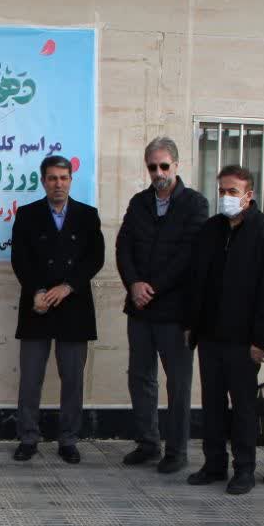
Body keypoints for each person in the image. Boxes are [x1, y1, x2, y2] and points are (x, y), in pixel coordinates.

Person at [183, 165, 264, 494]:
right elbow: (197, 279)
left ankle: (244, 469)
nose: (226, 197)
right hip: (210, 335)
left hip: (244, 340)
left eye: (233, 191)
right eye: (222, 191)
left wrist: (260, 340)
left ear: (248, 195)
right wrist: (192, 325)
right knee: (212, 403)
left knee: (243, 406)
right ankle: (214, 463)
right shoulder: (211, 230)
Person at [114, 137, 208, 474]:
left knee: (178, 383)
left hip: (175, 311)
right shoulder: (139, 203)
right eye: (152, 167)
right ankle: (148, 442)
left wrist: (152, 287)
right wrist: (134, 284)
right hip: (140, 309)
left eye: (164, 166)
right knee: (140, 377)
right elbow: (123, 247)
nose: (158, 173)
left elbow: (188, 255)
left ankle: (177, 450)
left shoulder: (195, 204)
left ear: (177, 165)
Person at [9, 155, 104, 464]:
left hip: (74, 305)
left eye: (63, 178)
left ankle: (68, 440)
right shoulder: (27, 215)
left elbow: (95, 258)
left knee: (73, 379)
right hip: (37, 305)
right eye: (52, 178)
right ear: (43, 181)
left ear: (71, 180)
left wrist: (68, 286)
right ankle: (28, 438)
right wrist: (37, 291)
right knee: (30, 378)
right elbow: (20, 259)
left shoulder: (88, 215)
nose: (58, 184)